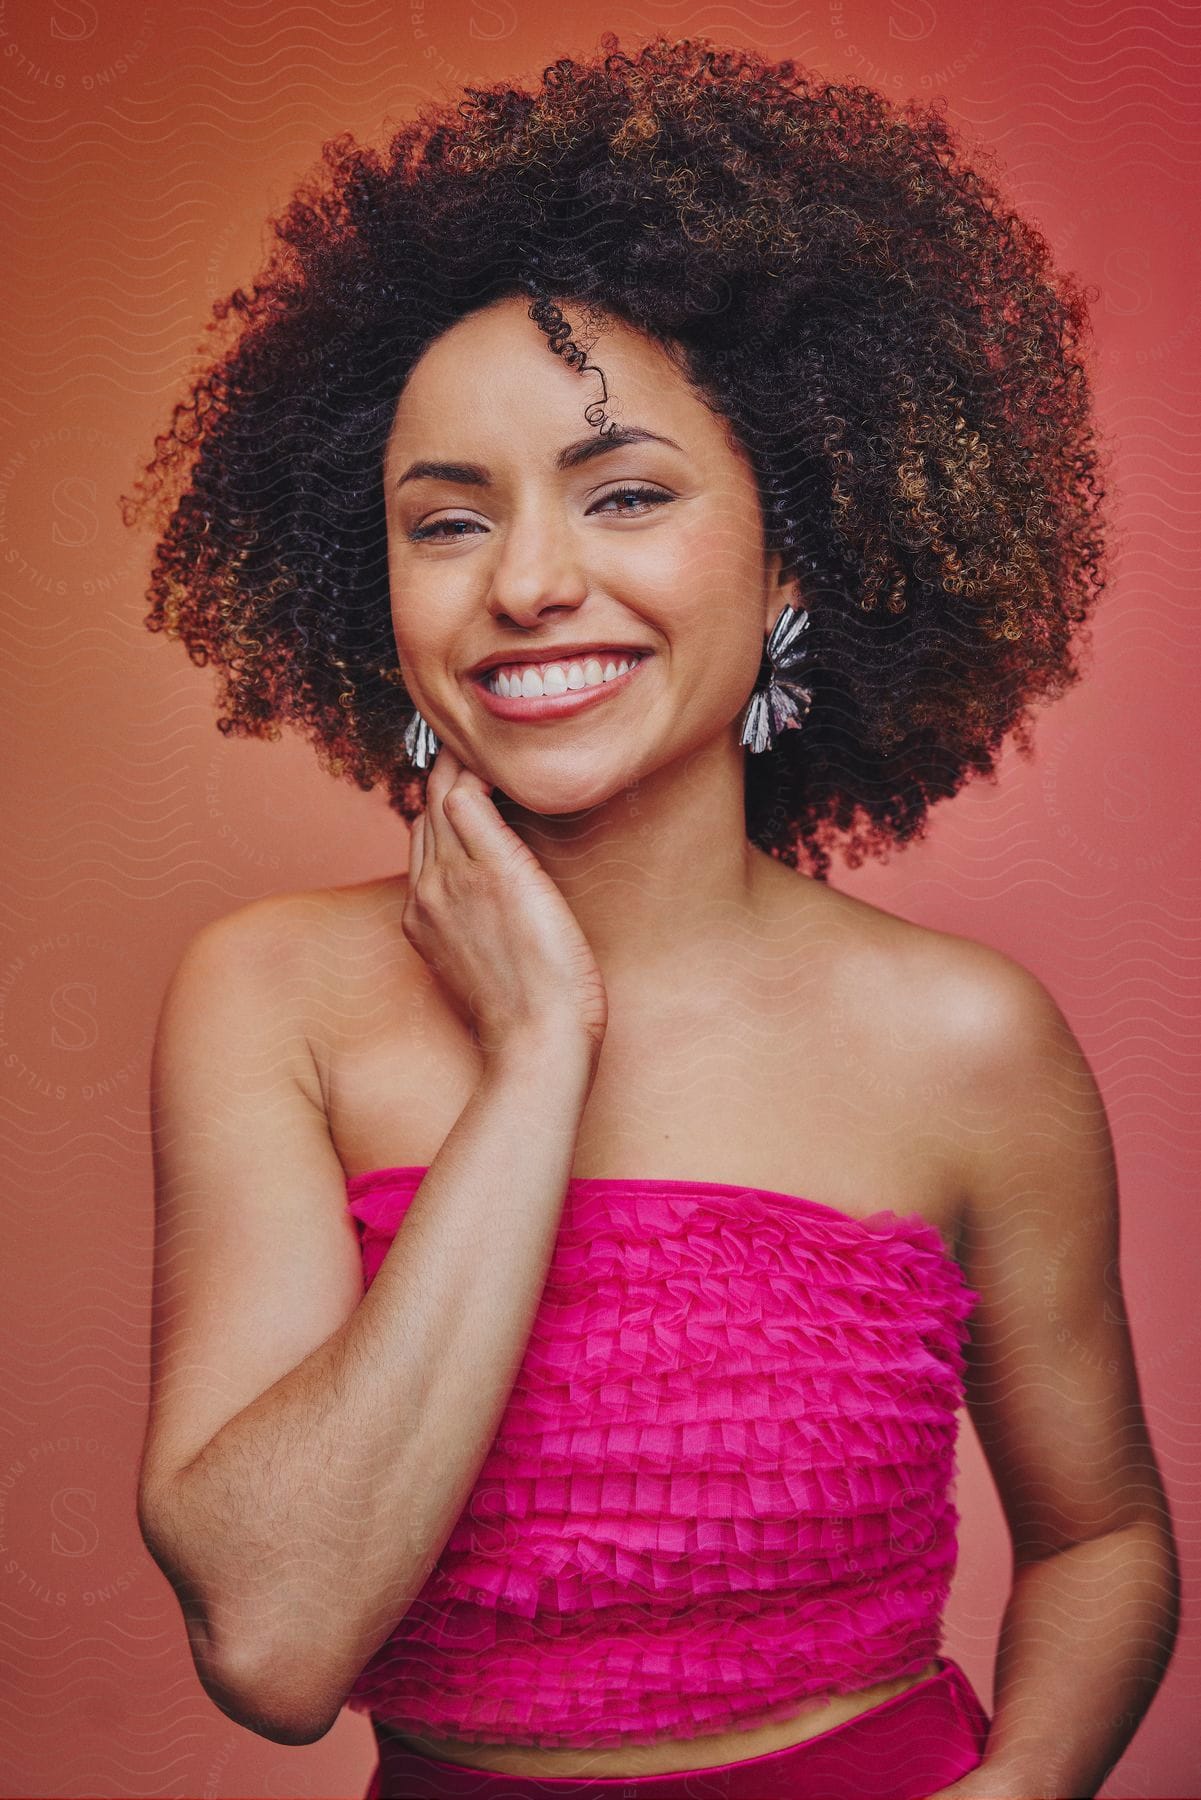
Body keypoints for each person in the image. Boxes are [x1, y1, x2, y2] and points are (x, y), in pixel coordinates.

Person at [124, 33, 1179, 1800]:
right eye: (444, 522)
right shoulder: (271, 998)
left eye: (626, 494)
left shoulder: (965, 1042)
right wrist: (540, 1050)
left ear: (793, 559)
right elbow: (273, 1642)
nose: (530, 582)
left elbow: (1100, 1543)